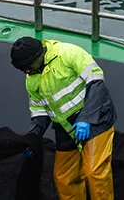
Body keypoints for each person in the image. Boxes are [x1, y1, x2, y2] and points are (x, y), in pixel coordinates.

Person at [11, 37, 116, 200]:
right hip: (66, 127)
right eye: (22, 70)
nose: (26, 72)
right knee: (64, 177)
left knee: (95, 172)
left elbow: (96, 82)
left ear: (38, 56)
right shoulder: (31, 79)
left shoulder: (69, 54)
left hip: (96, 119)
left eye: (27, 67)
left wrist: (86, 118)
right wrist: (32, 137)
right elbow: (40, 111)